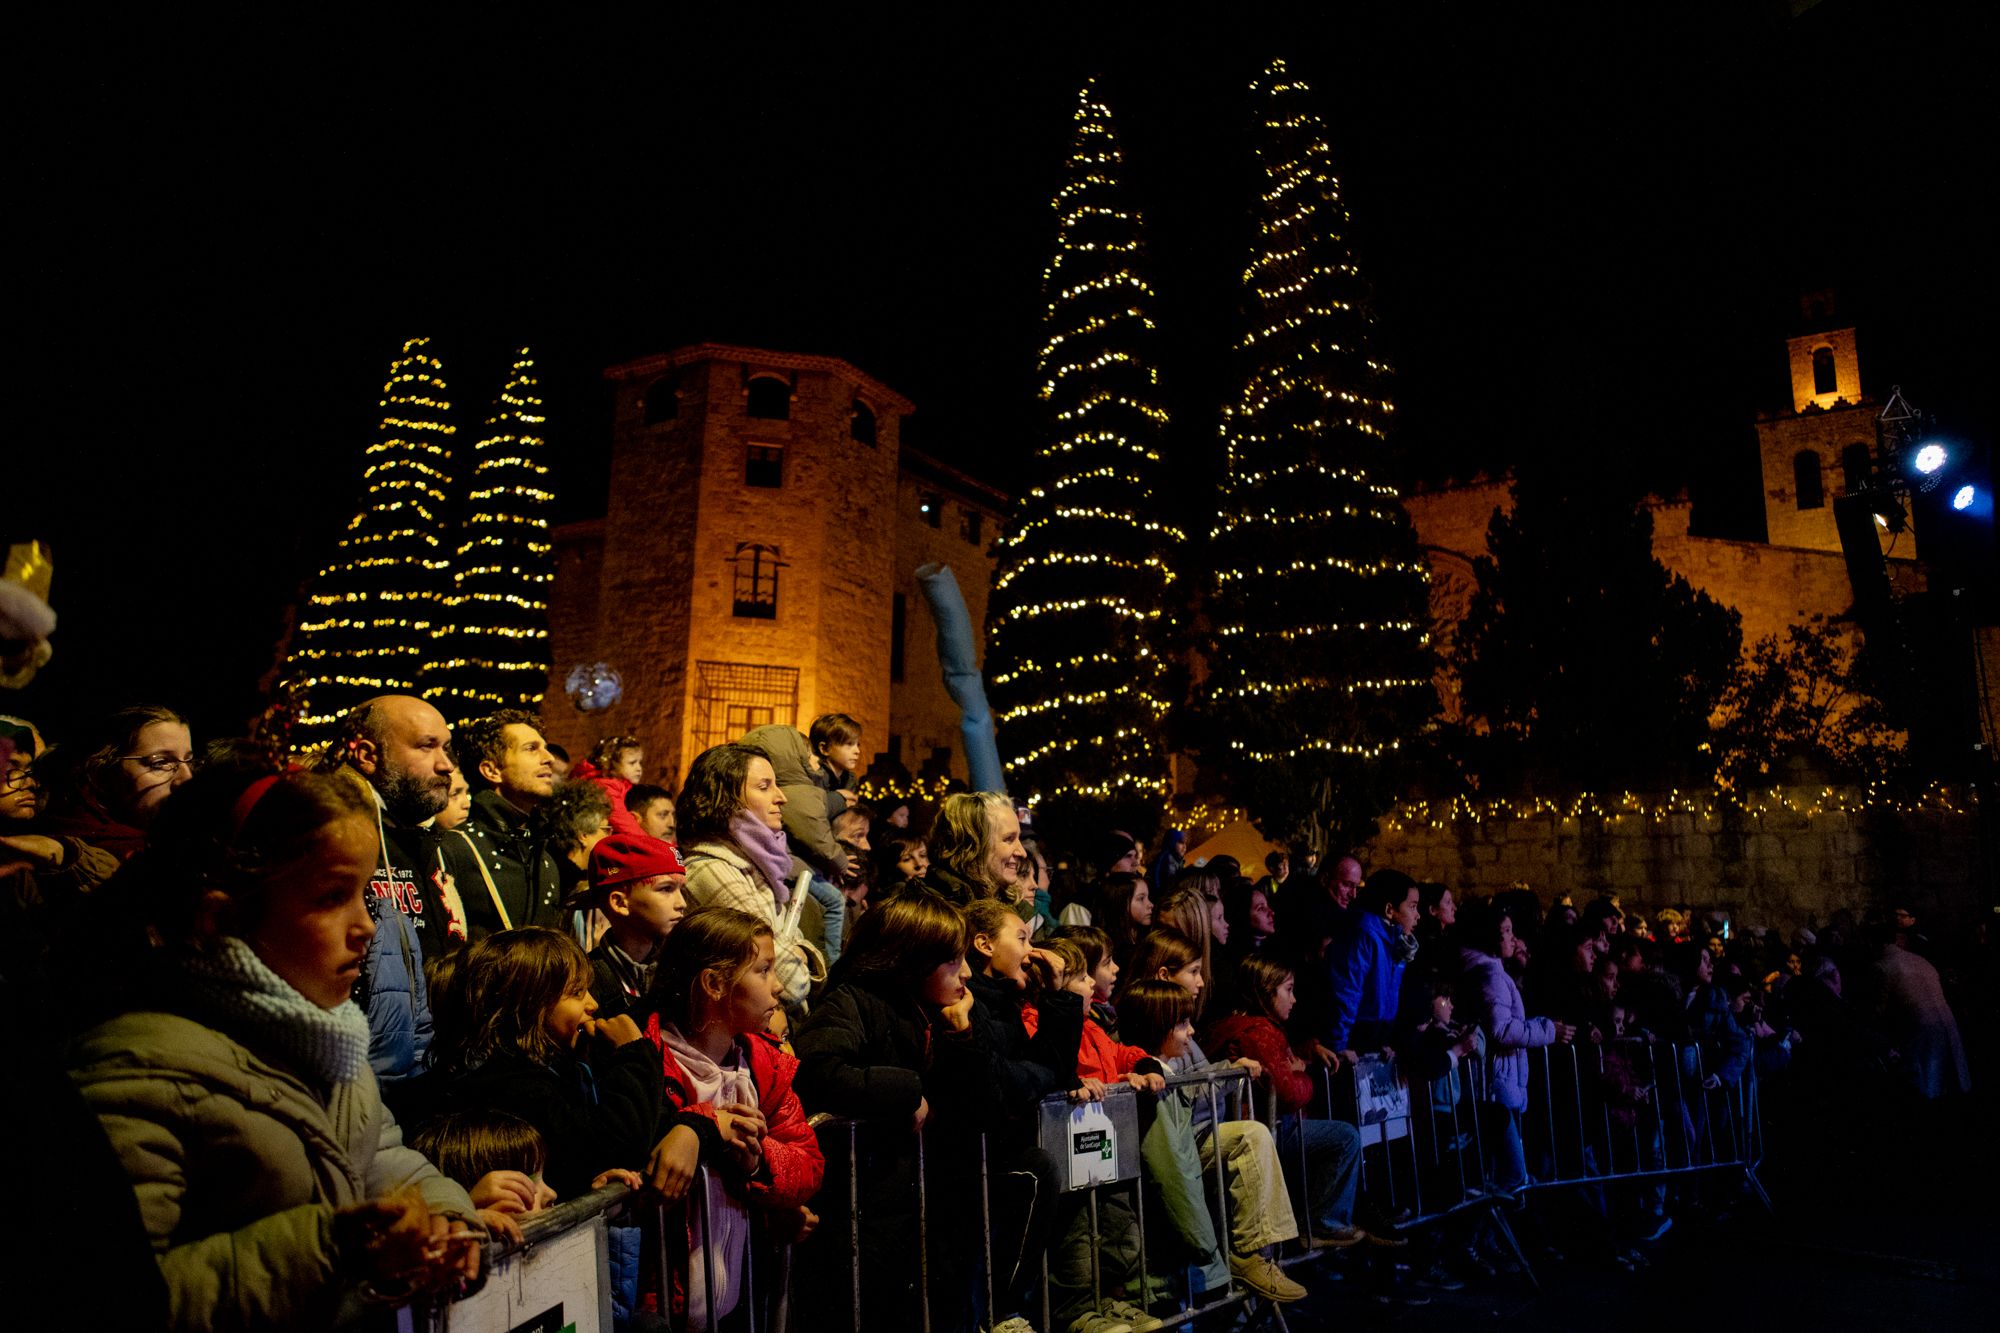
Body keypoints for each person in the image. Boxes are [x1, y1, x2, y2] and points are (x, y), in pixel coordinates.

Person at [69, 756, 493, 1330]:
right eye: (329, 897)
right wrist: (330, 1248)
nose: (366, 925)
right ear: (222, 919)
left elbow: (379, 1160)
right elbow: (113, 1298)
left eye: (364, 893)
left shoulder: (325, 1036)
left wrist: (444, 1214)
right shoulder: (139, 1072)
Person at [792, 891, 990, 1326]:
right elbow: (816, 1069)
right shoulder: (852, 1001)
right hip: (862, 1213)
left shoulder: (929, 1009)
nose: (968, 973)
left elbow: (971, 1102)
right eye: (954, 961)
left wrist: (961, 1037)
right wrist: (907, 1091)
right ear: (913, 960)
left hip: (911, 1209)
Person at [635, 906, 825, 1328]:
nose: (777, 987)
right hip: (661, 1304)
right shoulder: (647, 1057)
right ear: (716, 983)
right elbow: (635, 1147)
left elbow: (808, 1163)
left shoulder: (762, 1063)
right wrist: (705, 1123)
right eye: (763, 970)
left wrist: (757, 1162)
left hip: (738, 1300)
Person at [423, 926, 674, 1204]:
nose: (592, 1004)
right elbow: (615, 1147)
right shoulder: (514, 1088)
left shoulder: (556, 1068)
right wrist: (632, 1053)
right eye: (577, 993)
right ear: (527, 1003)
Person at [1120, 976, 1305, 1304]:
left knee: (1253, 1134)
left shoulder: (1172, 1062)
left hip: (1190, 1149)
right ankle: (1246, 1258)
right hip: (1170, 1188)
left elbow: (1193, 1086)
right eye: (1182, 1024)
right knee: (1251, 1136)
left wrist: (1228, 1069)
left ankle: (1252, 1256)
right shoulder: (1152, 1080)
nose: (1191, 1032)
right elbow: (1172, 1174)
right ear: (1157, 1025)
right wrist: (1210, 1254)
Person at [314, 695, 461, 1099]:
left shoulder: (424, 838)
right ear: (365, 754)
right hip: (356, 1085)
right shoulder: (332, 834)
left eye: (446, 747)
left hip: (426, 1073)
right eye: (426, 746)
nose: (446, 764)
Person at [1204, 955, 1369, 1248]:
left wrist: (1305, 1053)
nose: (1294, 999)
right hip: (1271, 1130)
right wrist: (1304, 1074)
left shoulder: (1249, 1026)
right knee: (1346, 1138)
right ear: (1267, 990)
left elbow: (1284, 1064)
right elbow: (1289, 1093)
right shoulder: (1259, 1032)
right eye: (1288, 990)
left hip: (1268, 1128)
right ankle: (1322, 1223)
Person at [676, 743, 826, 1016]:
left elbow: (793, 954)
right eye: (764, 787)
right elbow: (791, 984)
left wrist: (796, 952)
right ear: (726, 799)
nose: (781, 797)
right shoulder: (715, 873)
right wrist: (797, 954)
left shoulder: (755, 869)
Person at [1455, 899, 1571, 1191]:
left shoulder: (1490, 970)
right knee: (1510, 1176)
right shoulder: (1491, 975)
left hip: (1500, 1082)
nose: (1512, 938)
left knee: (1500, 1174)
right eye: (1506, 931)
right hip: (1498, 1084)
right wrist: (1547, 1030)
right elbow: (1501, 1029)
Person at [439, 709, 564, 934]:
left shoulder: (544, 856)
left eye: (544, 748)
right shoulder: (455, 849)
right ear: (492, 770)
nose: (549, 758)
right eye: (531, 749)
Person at [738, 724, 849, 963]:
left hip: (794, 869)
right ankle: (833, 960)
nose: (780, 798)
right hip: (796, 870)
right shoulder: (801, 793)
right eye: (763, 787)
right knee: (834, 901)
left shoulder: (803, 789)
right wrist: (840, 863)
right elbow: (816, 836)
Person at [34, 703, 194, 863]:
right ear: (102, 771)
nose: (187, 778)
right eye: (160, 762)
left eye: (189, 761)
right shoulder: (68, 854)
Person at [1316, 871, 1422, 1059]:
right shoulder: (1364, 935)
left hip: (1373, 1038)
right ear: (1390, 909)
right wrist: (1338, 1044)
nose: (1417, 915)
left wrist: (1382, 1043)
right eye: (1412, 907)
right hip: (1353, 1039)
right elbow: (1347, 990)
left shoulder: (1393, 941)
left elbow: (1389, 994)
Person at [585, 833, 687, 1017]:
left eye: (681, 890)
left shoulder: (684, 969)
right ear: (620, 903)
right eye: (666, 889)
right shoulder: (585, 982)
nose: (682, 903)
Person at [918, 789, 1023, 905]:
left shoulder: (1012, 900)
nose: (1023, 852)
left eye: (1019, 838)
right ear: (972, 845)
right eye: (1009, 839)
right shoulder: (930, 914)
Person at [572, 734, 646, 837]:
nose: (639, 768)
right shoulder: (605, 788)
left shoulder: (621, 786)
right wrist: (653, 845)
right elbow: (625, 825)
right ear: (612, 764)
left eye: (639, 762)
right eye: (632, 763)